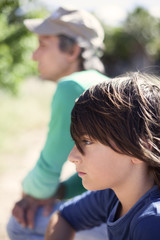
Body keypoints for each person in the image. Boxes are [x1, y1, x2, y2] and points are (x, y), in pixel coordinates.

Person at [7, 5, 109, 240]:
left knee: (19, 224)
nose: (34, 55)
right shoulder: (104, 84)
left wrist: (31, 195)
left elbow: (44, 176)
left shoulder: (72, 86)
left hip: (120, 220)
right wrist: (61, 191)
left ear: (72, 51)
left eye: (42, 45)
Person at [45, 72, 160, 240]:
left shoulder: (151, 225)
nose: (72, 156)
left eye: (87, 141)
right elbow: (65, 217)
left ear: (140, 147)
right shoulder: (113, 194)